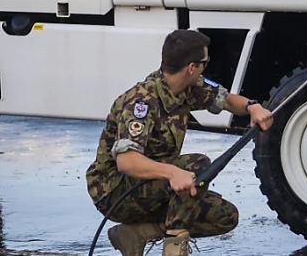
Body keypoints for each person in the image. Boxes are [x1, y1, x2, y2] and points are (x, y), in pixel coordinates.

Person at [86, 30, 273, 256]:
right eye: (205, 63)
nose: (206, 67)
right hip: (115, 191)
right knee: (198, 165)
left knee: (224, 215)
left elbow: (227, 100)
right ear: (191, 67)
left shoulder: (187, 88)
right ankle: (174, 249)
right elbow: (127, 162)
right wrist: (173, 173)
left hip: (153, 185)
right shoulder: (142, 102)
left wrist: (253, 107)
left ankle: (136, 234)